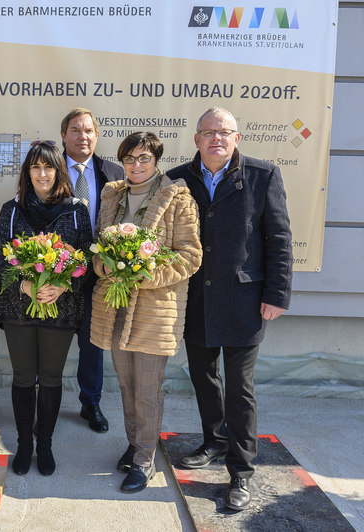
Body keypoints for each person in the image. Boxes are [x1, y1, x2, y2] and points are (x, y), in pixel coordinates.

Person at [167, 107, 293, 510]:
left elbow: (279, 239)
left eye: (225, 132)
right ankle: (214, 441)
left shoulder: (263, 176)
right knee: (203, 377)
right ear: (196, 139)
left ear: (237, 138)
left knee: (240, 388)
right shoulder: (177, 180)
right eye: (208, 132)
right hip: (196, 300)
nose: (216, 138)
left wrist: (276, 294)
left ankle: (241, 472)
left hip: (244, 302)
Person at [90, 132, 202, 493]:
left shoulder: (178, 199)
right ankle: (136, 442)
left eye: (144, 158)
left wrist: (145, 273)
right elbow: (97, 247)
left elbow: (189, 256)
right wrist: (105, 267)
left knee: (148, 388)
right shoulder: (113, 196)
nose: (136, 166)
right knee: (125, 383)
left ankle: (145, 459)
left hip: (156, 309)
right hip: (117, 304)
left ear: (156, 161)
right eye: (130, 159)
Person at [0, 140, 92, 476]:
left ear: (58, 170)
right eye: (36, 167)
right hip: (18, 310)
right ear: (27, 172)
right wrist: (22, 283)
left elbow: (86, 257)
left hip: (60, 311)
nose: (42, 173)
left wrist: (63, 283)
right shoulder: (12, 209)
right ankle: (24, 443)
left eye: (48, 167)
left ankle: (44, 443)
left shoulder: (77, 209)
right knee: (22, 377)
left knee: (49, 377)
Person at [60, 108, 124, 434]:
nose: (82, 136)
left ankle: (91, 403)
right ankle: (46, 403)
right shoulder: (48, 169)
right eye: (75, 130)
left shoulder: (113, 172)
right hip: (55, 274)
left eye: (88, 131)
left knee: (93, 343)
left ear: (96, 135)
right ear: (64, 135)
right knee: (51, 343)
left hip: (98, 274)